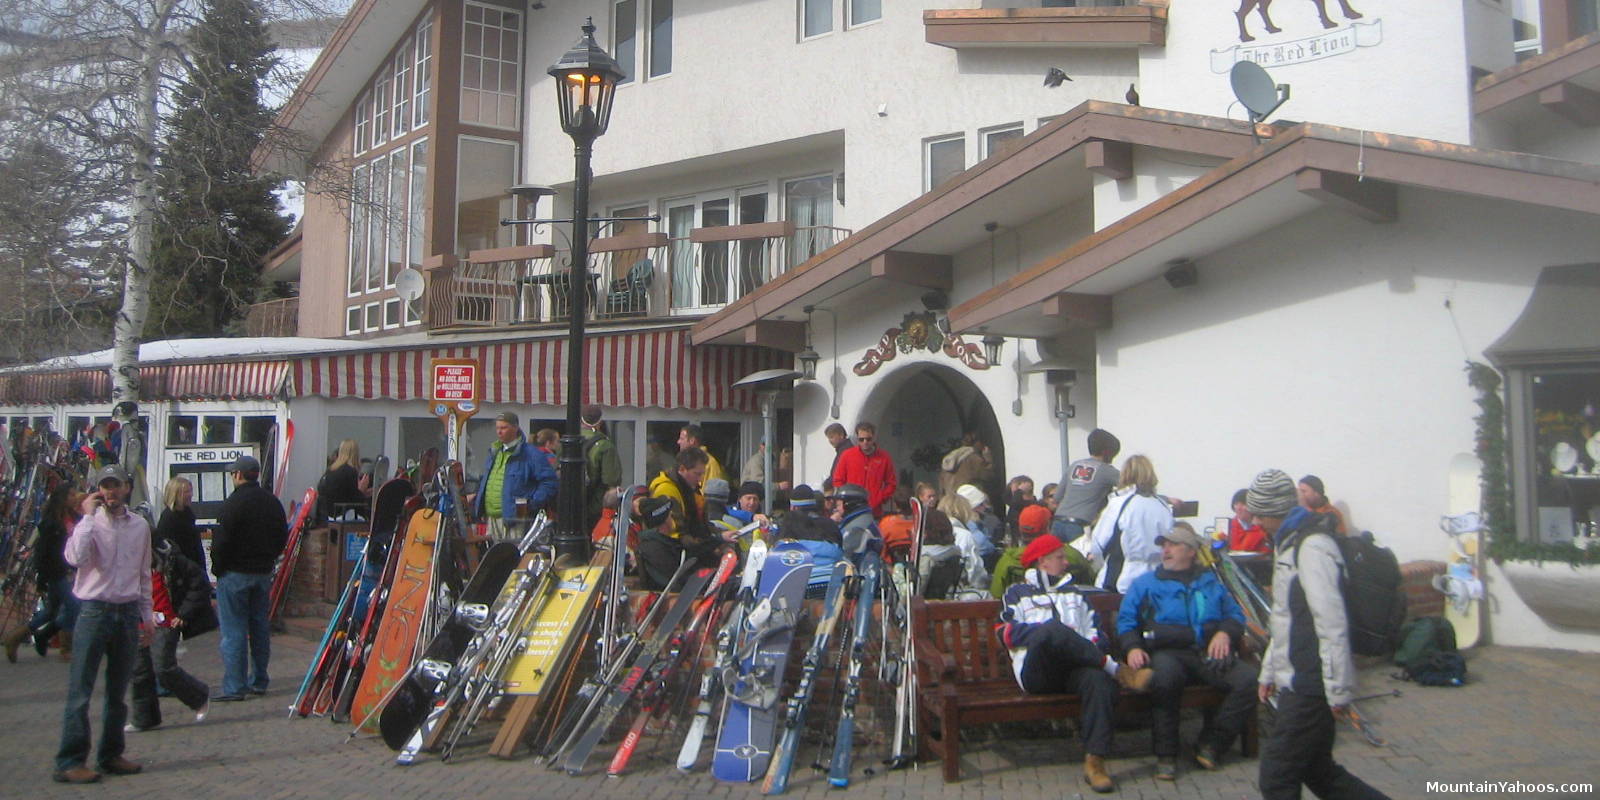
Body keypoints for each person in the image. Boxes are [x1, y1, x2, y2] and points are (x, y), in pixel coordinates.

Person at [1250, 469, 1389, 800]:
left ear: (1276, 510)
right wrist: (1269, 670)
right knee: (1317, 770)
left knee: (1277, 775)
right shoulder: (1289, 544)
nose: (1255, 520)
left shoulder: (1312, 548)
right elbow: (1284, 619)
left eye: (1259, 513)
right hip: (1296, 675)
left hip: (1311, 681)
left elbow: (1331, 622)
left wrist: (1338, 689)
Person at [999, 533, 1153, 794]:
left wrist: (1080, 644)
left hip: (1076, 668)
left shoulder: (1076, 594)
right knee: (1053, 630)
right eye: (1060, 558)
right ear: (1042, 562)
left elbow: (1098, 635)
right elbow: (1005, 633)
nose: (1066, 563)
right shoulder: (1017, 593)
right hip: (1038, 671)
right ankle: (1118, 670)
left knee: (1099, 682)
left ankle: (1096, 762)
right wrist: (1051, 633)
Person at [1117, 521, 1259, 780]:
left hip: (1206, 652)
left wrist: (1225, 633)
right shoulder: (1146, 583)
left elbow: (1235, 615)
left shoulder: (1209, 582)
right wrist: (1133, 647)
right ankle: (1166, 756)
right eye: (1164, 545)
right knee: (1165, 680)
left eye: (1174, 545)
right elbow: (1126, 621)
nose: (1166, 550)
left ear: (1191, 551)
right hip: (1167, 651)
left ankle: (1211, 744)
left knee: (1248, 680)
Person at [53, 465, 152, 785]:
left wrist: (147, 616)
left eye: (116, 485)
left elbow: (144, 573)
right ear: (98, 490)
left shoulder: (139, 526)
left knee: (117, 690)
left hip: (126, 611)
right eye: (105, 486)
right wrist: (85, 518)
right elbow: (75, 558)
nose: (111, 491)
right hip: (94, 610)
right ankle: (70, 760)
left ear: (126, 488)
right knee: (81, 690)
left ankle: (111, 754)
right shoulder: (90, 524)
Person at [211, 455, 289, 701]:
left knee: (233, 631)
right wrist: (269, 558)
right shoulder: (272, 502)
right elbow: (282, 537)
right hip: (262, 572)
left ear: (237, 475)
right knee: (259, 628)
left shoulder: (233, 504)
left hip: (235, 572)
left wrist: (217, 568)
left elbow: (221, 542)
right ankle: (259, 680)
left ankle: (235, 685)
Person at [128, 538, 216, 731]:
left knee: (163, 667)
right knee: (139, 670)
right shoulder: (125, 562)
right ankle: (144, 718)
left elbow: (199, 582)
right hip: (140, 620)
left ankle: (198, 696)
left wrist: (184, 613)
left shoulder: (172, 560)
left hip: (166, 621)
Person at [6, 484, 83, 662]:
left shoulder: (74, 517)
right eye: (70, 494)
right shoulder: (51, 522)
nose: (74, 497)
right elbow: (43, 552)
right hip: (56, 571)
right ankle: (66, 648)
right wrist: (41, 579)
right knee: (73, 607)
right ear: (62, 498)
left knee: (51, 611)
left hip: (68, 570)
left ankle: (17, 637)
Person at [1081, 455, 1173, 594]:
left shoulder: (1119, 503)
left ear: (1125, 474)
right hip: (1158, 579)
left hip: (1123, 580)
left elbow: (1098, 543)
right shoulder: (1163, 506)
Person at [643, 447, 730, 590]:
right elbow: (678, 537)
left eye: (702, 474)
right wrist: (715, 541)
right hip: (678, 563)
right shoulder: (668, 491)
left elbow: (699, 525)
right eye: (697, 474)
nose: (700, 479)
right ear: (682, 469)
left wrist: (716, 539)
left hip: (689, 557)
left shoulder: (686, 488)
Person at [471, 412, 557, 543]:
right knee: (492, 558)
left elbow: (549, 482)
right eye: (497, 428)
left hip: (515, 519)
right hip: (491, 517)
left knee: (513, 557)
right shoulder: (495, 451)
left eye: (504, 428)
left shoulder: (531, 454)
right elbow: (488, 479)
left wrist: (531, 504)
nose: (499, 432)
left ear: (516, 427)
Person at [1052, 428, 1122, 542]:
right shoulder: (1107, 470)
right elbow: (1132, 486)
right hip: (1080, 525)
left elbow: (1057, 497)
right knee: (1082, 559)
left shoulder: (1074, 466)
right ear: (1106, 452)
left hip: (1058, 522)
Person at [830, 421, 897, 517]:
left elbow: (891, 483)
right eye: (861, 439)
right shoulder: (847, 455)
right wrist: (843, 500)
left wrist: (880, 498)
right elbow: (838, 480)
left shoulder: (884, 457)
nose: (865, 442)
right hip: (851, 510)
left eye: (868, 439)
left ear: (873, 438)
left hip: (874, 511)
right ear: (857, 439)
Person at [935, 490, 989, 594]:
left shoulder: (932, 532)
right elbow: (973, 570)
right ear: (964, 510)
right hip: (961, 592)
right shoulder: (964, 535)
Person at [580, 405, 622, 532]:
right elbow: (611, 481)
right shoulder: (605, 445)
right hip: (595, 509)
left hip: (568, 508)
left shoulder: (566, 441)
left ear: (581, 421)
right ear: (600, 422)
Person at [154, 477, 206, 573]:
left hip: (195, 570)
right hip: (179, 573)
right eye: (186, 492)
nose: (191, 495)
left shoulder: (188, 514)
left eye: (191, 491)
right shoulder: (168, 518)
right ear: (175, 494)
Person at [916, 509, 964, 600]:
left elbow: (917, 591)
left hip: (922, 606)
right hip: (945, 602)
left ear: (925, 531)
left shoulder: (925, 557)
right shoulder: (955, 553)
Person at [318, 439, 371, 520]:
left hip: (331, 516)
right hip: (345, 515)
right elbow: (355, 500)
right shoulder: (350, 471)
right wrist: (362, 491)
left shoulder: (330, 470)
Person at [832, 483, 881, 565]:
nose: (836, 509)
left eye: (838, 505)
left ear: (849, 505)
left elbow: (845, 558)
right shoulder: (861, 521)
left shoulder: (857, 529)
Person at [955, 484, 1001, 571]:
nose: (985, 506)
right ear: (972, 507)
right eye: (980, 504)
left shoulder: (979, 521)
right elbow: (984, 547)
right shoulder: (969, 524)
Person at [939, 432, 994, 499]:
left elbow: (941, 488)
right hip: (967, 500)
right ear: (977, 443)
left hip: (951, 502)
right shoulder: (973, 458)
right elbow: (988, 476)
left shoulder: (949, 459)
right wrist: (988, 459)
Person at [1227, 488, 1271, 553]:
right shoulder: (1230, 527)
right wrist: (1256, 529)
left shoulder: (1265, 525)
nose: (1239, 508)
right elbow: (1240, 550)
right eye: (1236, 504)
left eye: (1243, 504)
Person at [823, 422, 852, 488]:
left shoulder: (845, 451)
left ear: (841, 435)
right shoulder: (843, 449)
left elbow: (837, 473)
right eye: (829, 438)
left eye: (831, 437)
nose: (830, 441)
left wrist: (827, 484)